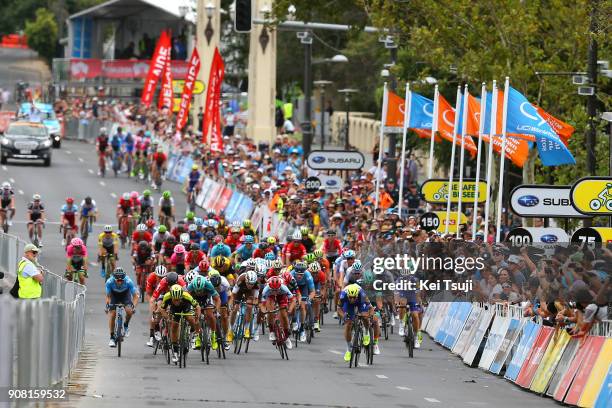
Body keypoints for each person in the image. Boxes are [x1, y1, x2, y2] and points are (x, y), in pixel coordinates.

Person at [159, 284, 201, 363]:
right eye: (174, 300)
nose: (176, 302)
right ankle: (175, 352)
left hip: (186, 306)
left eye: (178, 299)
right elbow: (162, 309)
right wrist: (167, 318)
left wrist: (197, 319)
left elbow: (197, 307)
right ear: (172, 297)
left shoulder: (187, 296)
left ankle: (192, 333)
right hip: (174, 310)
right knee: (174, 326)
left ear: (181, 296)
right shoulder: (167, 297)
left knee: (190, 319)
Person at [105, 267, 139, 347]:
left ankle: (126, 325)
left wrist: (133, 306)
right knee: (112, 314)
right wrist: (108, 305)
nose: (120, 282)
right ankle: (112, 337)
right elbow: (108, 296)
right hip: (114, 295)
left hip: (125, 294)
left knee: (129, 311)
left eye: (121, 280)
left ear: (124, 278)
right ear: (114, 278)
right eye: (118, 280)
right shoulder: (109, 282)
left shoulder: (128, 281)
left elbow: (135, 296)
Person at [338, 283, 371, 362]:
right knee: (348, 324)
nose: (352, 299)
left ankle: (366, 332)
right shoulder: (343, 295)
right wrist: (344, 317)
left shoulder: (362, 294)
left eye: (354, 298)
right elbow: (339, 309)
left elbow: (370, 307)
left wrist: (368, 315)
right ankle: (349, 348)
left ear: (357, 295)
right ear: (348, 296)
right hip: (348, 305)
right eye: (350, 297)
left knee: (364, 316)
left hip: (360, 302)